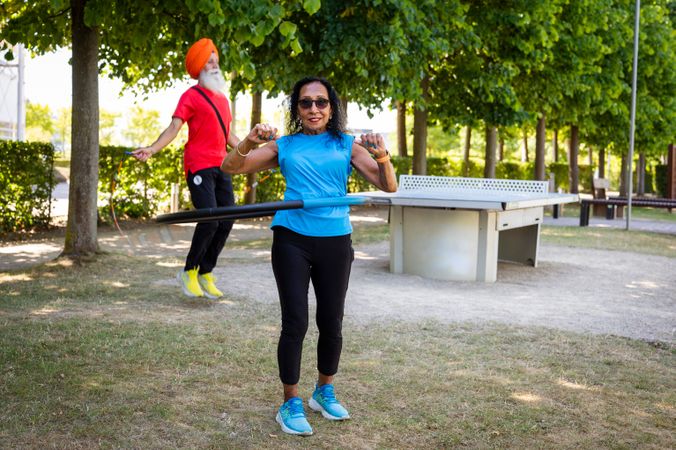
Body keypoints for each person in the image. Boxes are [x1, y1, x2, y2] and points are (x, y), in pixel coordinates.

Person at [220, 76, 397, 436]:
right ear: (296, 109)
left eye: (321, 102)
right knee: (295, 321)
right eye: (306, 103)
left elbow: (388, 186)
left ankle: (324, 390)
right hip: (291, 238)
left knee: (332, 320)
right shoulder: (283, 146)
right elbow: (231, 167)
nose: (314, 109)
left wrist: (382, 155)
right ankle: (290, 401)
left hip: (335, 239)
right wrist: (250, 141)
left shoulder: (347, 145)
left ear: (332, 108)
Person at [131, 38, 243, 299]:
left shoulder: (223, 100)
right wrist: (151, 148)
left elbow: (230, 137)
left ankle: (206, 272)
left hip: (222, 164)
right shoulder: (190, 96)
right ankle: (189, 271)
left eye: (216, 61)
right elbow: (173, 128)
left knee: (227, 219)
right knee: (210, 219)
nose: (214, 66)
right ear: (199, 68)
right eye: (209, 62)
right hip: (199, 165)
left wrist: (257, 155)